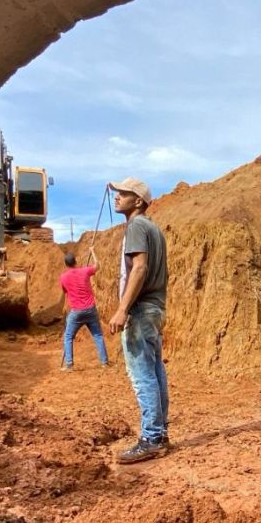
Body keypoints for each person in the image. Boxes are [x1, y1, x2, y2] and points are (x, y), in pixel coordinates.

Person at [106, 177, 170, 464]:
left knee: (142, 374)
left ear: (139, 201)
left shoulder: (136, 226)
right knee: (155, 371)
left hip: (141, 310)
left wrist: (122, 309)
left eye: (124, 193)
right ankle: (160, 433)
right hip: (155, 308)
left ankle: (152, 438)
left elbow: (139, 268)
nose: (117, 197)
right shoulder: (154, 229)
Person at [59, 247, 109, 370]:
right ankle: (104, 362)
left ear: (66, 264)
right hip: (91, 309)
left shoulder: (63, 277)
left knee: (68, 336)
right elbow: (97, 265)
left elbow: (65, 291)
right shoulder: (85, 271)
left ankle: (69, 365)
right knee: (97, 335)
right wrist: (93, 252)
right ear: (75, 261)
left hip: (76, 312)